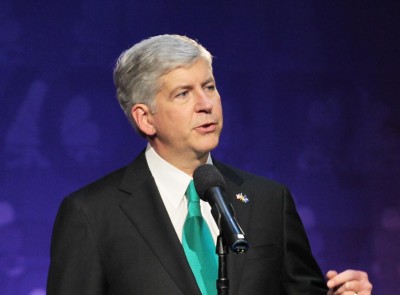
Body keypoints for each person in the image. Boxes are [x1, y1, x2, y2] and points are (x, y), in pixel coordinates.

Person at [46, 34, 372, 295]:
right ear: (145, 118)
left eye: (209, 87)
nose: (205, 104)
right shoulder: (92, 213)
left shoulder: (268, 200)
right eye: (183, 94)